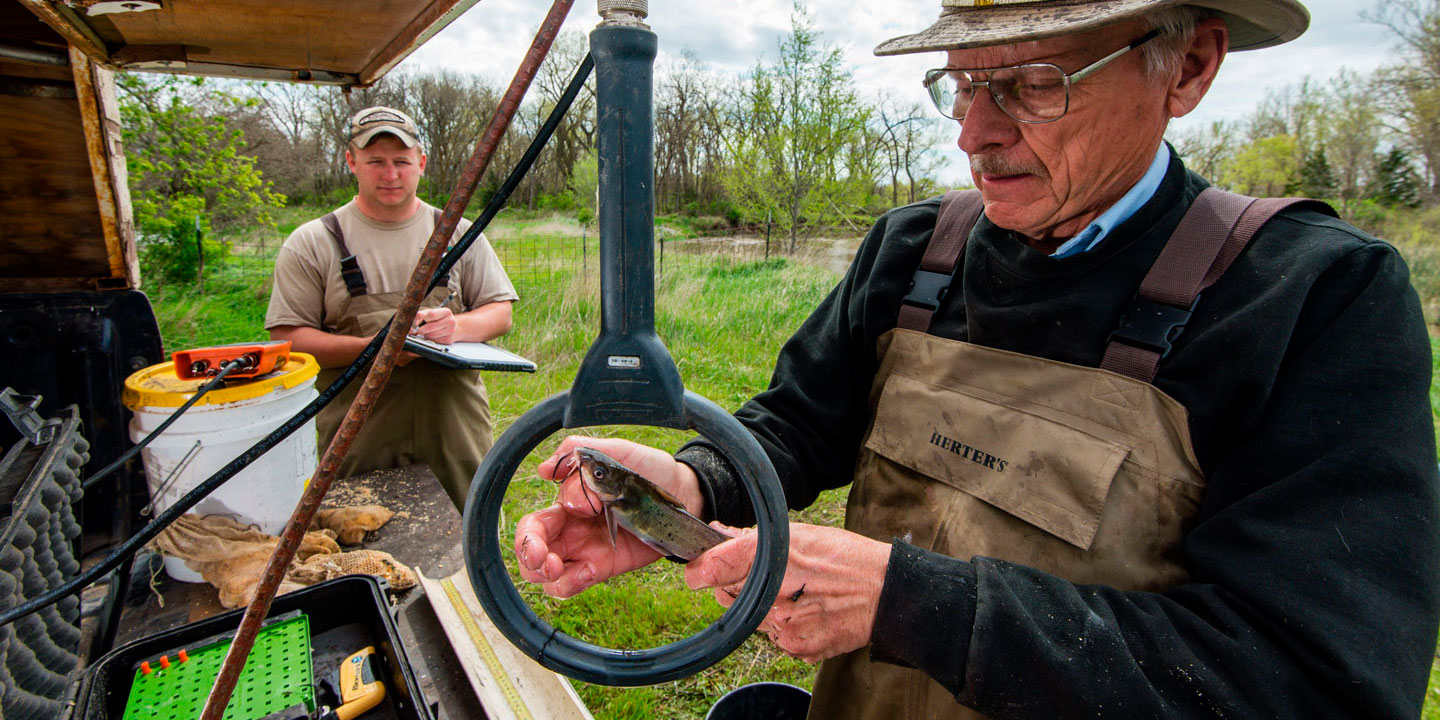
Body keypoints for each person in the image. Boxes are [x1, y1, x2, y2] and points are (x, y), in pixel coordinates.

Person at [516, 1, 1440, 717]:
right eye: (962, 84)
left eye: (1034, 82)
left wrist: (918, 604)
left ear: (1188, 66)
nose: (973, 134)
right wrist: (692, 487)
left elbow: (1315, 685)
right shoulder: (920, 249)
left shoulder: (1313, 299)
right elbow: (802, 423)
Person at [265, 106, 517, 508]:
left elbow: (499, 312)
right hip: (359, 437)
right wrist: (375, 350)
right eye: (375, 162)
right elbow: (288, 339)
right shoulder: (313, 241)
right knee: (363, 548)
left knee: (467, 542)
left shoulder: (458, 232)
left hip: (454, 434)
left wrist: (457, 328)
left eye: (401, 161)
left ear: (421, 162)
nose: (390, 174)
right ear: (351, 161)